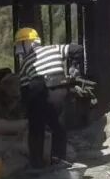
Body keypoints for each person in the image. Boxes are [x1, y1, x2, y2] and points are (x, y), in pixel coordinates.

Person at [15, 27, 84, 168]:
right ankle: (58, 162)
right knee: (59, 128)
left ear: (25, 44)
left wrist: (26, 109)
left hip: (37, 94)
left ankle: (36, 165)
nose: (20, 51)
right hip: (59, 91)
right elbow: (78, 49)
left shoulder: (25, 64)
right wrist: (74, 67)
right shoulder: (54, 48)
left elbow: (25, 90)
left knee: (36, 130)